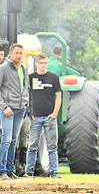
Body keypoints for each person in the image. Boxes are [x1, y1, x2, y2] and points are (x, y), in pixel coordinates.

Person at [25, 53, 62, 178]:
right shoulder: (30, 78)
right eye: (41, 63)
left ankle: (54, 172)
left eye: (45, 63)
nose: (43, 65)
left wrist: (55, 113)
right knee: (32, 145)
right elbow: (26, 95)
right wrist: (30, 112)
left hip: (49, 117)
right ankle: (28, 172)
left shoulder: (53, 78)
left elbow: (58, 95)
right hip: (35, 117)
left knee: (52, 146)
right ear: (36, 63)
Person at [0, 43, 29, 180]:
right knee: (6, 140)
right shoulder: (4, 68)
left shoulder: (23, 69)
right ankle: (2, 171)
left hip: (20, 109)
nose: (19, 56)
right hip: (8, 110)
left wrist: (25, 103)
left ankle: (10, 171)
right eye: (16, 53)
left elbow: (26, 88)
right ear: (10, 54)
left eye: (21, 53)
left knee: (13, 140)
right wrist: (4, 107)